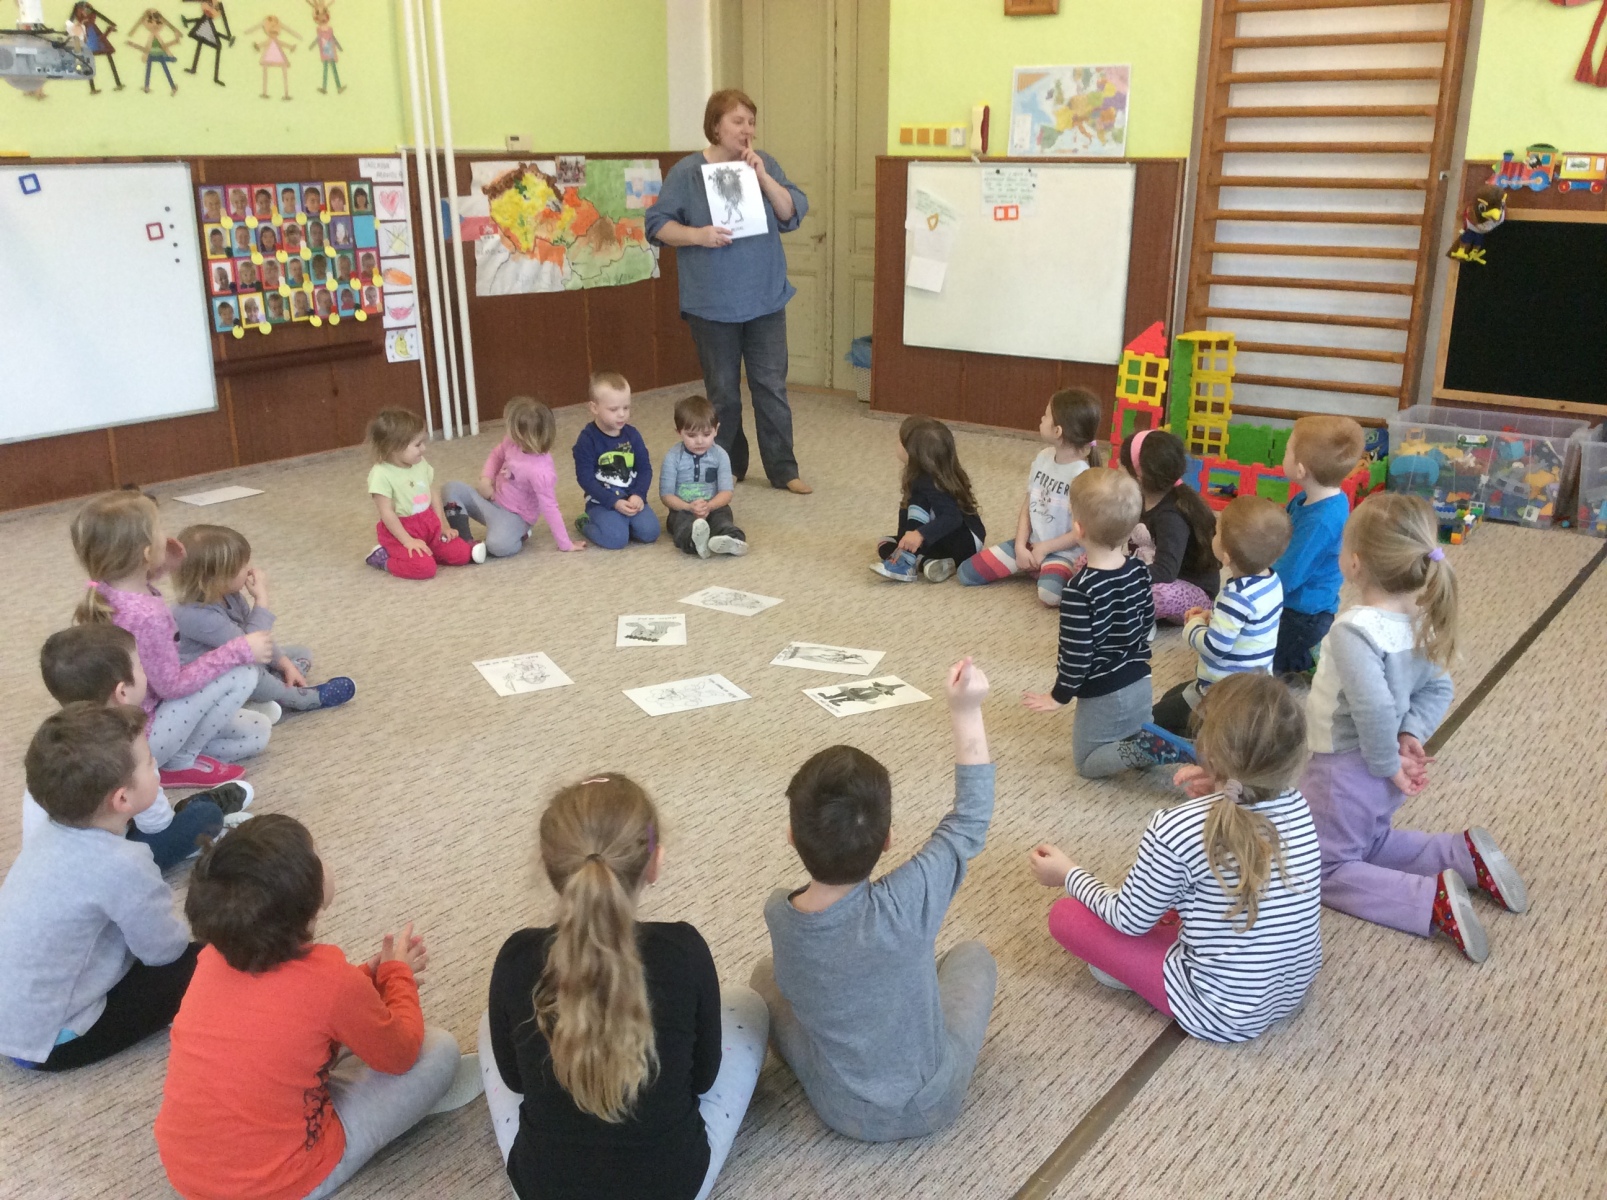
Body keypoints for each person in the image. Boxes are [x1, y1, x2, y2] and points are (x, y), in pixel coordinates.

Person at [156, 815, 477, 1199]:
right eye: (317, 854)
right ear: (305, 897)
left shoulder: (212, 956)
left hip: (185, 1170)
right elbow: (401, 1053)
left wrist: (365, 980)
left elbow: (293, 1012)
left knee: (312, 1043)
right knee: (439, 1051)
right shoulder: (330, 981)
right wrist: (398, 977)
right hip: (274, 1184)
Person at [483, 774, 768, 1200]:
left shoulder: (515, 958)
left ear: (547, 864)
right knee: (748, 1004)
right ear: (655, 862)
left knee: (488, 1023)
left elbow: (515, 1081)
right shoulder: (684, 951)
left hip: (544, 1187)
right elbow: (704, 1079)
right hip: (671, 1186)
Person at [751, 657, 996, 1142]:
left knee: (763, 976)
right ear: (887, 841)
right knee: (973, 956)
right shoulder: (908, 901)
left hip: (841, 1109)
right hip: (934, 1101)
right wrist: (966, 711)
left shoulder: (779, 911)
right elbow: (970, 819)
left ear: (791, 837)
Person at [1028, 672, 1323, 1042]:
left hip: (1219, 1011)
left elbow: (1128, 919)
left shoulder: (1174, 826)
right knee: (1184, 891)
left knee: (1067, 915)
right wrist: (1218, 783)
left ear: (1208, 750)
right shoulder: (1297, 803)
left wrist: (1067, 874)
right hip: (1292, 987)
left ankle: (1138, 970)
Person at [1301, 493, 1527, 963]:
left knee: (1326, 867)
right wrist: (1410, 736)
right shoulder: (1421, 621)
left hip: (1344, 770)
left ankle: (1429, 902)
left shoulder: (1353, 629)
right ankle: (1461, 857)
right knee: (1370, 841)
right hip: (1385, 767)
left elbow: (1373, 707)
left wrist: (1389, 762)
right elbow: (1438, 688)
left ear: (1354, 563)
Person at [0, 704, 199, 1071]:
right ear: (122, 799)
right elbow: (163, 951)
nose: (156, 766)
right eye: (150, 762)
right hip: (52, 1042)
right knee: (204, 961)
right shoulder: (124, 864)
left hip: (15, 1019)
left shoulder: (46, 835)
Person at [645, 89, 812, 494]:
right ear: (716, 126)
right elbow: (657, 225)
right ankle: (729, 466)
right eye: (738, 121)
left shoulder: (764, 163)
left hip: (765, 298)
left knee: (771, 387)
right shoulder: (687, 172)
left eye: (751, 122)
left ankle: (783, 469)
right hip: (712, 303)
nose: (746, 129)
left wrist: (763, 177)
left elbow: (791, 212)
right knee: (723, 393)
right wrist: (698, 235)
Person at [71, 491, 272, 790]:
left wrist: (162, 566)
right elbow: (171, 686)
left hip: (133, 728)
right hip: (146, 733)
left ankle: (168, 757)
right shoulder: (146, 616)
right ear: (146, 553)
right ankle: (178, 763)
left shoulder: (109, 589)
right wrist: (238, 650)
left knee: (258, 732)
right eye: (159, 530)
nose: (167, 536)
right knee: (244, 671)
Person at [23, 625, 253, 870]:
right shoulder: (127, 742)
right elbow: (157, 824)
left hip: (51, 862)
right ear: (122, 691)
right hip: (109, 866)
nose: (145, 672)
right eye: (141, 666)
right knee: (206, 816)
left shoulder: (53, 740)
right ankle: (200, 806)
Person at [1023, 469, 1193, 776]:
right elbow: (1146, 622)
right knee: (1133, 733)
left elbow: (1077, 655)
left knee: (1087, 763)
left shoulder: (1079, 590)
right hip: (1141, 678)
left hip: (1104, 691)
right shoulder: (1140, 571)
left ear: (1078, 528)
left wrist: (1059, 695)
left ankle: (1147, 749)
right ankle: (1150, 744)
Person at [172, 524, 356, 719]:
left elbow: (260, 642)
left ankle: (262, 695)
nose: (249, 569)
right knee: (252, 672)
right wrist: (262, 600)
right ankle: (300, 698)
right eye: (242, 566)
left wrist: (285, 664)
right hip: (208, 684)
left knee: (300, 652)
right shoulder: (195, 615)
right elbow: (249, 647)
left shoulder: (230, 596)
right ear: (217, 578)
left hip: (240, 662)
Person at [1150, 495, 1289, 738]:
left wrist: (1193, 627)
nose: (1213, 535)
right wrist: (1212, 616)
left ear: (1226, 556)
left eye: (1216, 532)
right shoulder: (1271, 581)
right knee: (1172, 696)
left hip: (1222, 691)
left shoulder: (1235, 596)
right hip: (1251, 686)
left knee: (1153, 719)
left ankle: (1208, 734)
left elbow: (1215, 647)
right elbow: (1245, 622)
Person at [958, 388, 1101, 605]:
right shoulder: (1043, 457)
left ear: (1058, 431)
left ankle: (1047, 569)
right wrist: (1020, 546)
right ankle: (1035, 567)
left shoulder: (1081, 475)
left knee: (1050, 595)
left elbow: (1079, 532)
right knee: (966, 573)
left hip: (1063, 553)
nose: (1041, 418)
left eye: (1046, 415)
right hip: (1031, 544)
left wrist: (1045, 548)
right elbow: (1028, 506)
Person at [1272, 415, 1366, 675]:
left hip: (1302, 618)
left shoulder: (1320, 521)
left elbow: (1287, 577)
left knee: (1249, 659)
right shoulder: (1313, 498)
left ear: (1301, 470)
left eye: (1287, 451)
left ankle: (1312, 657)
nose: (1284, 455)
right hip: (1296, 608)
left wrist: (1249, 587)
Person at [442, 396, 586, 559]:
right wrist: (486, 479)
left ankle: (519, 535)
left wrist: (565, 544)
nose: (506, 430)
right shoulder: (512, 442)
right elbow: (497, 455)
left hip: (516, 517)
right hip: (492, 500)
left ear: (523, 435)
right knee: (451, 488)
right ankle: (465, 542)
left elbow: (550, 507)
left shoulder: (541, 471)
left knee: (497, 545)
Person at [363, 408, 486, 579]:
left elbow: (432, 493)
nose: (424, 448)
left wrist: (442, 525)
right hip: (402, 532)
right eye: (417, 444)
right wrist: (408, 541)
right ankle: (383, 559)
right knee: (425, 569)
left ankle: (432, 552)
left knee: (462, 554)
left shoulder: (420, 463)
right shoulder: (380, 474)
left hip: (429, 524)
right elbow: (387, 513)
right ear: (394, 447)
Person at [1118, 429, 1221, 623]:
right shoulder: (1139, 500)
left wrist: (1121, 574)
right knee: (1090, 560)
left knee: (1157, 594)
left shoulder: (1171, 517)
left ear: (1139, 476)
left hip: (1191, 592)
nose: (1118, 471)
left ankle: (1134, 612)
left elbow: (1165, 572)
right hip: (1151, 573)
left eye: (1122, 467)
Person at [871, 417, 984, 583]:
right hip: (950, 542)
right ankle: (931, 563)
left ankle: (907, 562)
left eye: (900, 440)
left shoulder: (929, 483)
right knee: (885, 543)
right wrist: (905, 539)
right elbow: (906, 517)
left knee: (918, 502)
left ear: (912, 452)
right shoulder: (926, 477)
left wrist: (919, 534)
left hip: (965, 540)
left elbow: (952, 518)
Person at [571, 372, 659, 551]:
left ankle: (621, 524)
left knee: (651, 532)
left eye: (626, 408)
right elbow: (585, 479)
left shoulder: (632, 435)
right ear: (594, 407)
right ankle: (585, 523)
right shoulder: (587, 440)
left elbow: (645, 469)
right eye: (613, 409)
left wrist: (638, 494)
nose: (621, 415)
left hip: (631, 497)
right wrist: (613, 502)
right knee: (616, 540)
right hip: (602, 502)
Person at [660, 394, 747, 559]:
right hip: (683, 509)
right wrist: (689, 507)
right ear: (679, 432)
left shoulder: (720, 455)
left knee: (723, 521)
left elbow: (726, 492)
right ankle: (695, 542)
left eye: (706, 434)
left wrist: (710, 506)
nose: (699, 441)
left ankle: (731, 540)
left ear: (716, 429)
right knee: (682, 526)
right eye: (692, 435)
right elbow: (666, 496)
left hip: (714, 506)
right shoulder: (672, 457)